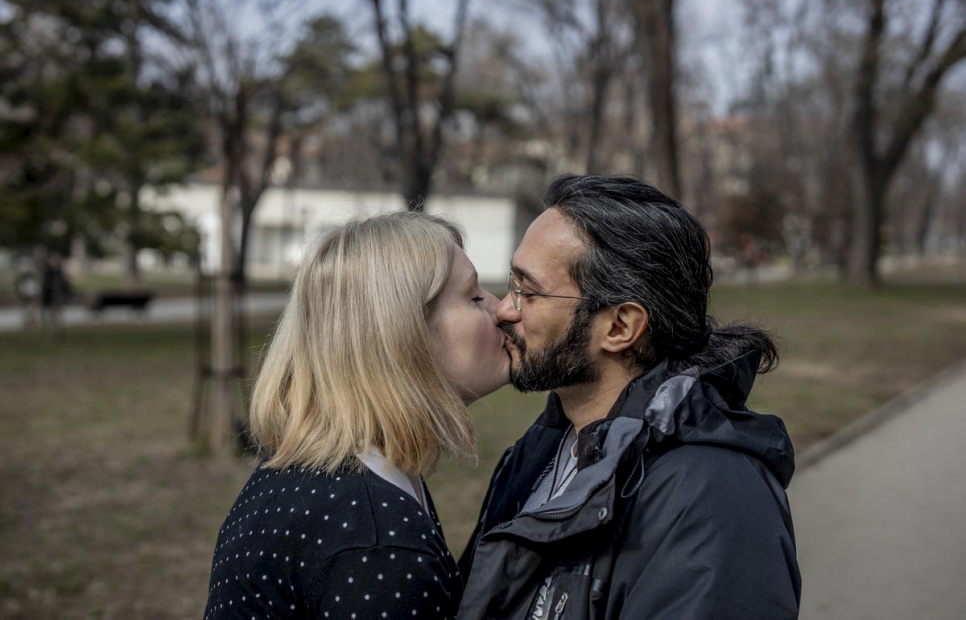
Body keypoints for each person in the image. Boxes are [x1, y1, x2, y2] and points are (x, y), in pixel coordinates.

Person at [458, 175, 801, 619]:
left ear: (620, 327)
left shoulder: (714, 505)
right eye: (512, 283)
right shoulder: (540, 450)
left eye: (529, 292)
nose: (505, 309)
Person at [204, 212, 509, 619]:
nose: (503, 308)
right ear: (403, 337)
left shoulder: (311, 474)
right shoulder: (377, 541)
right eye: (474, 297)